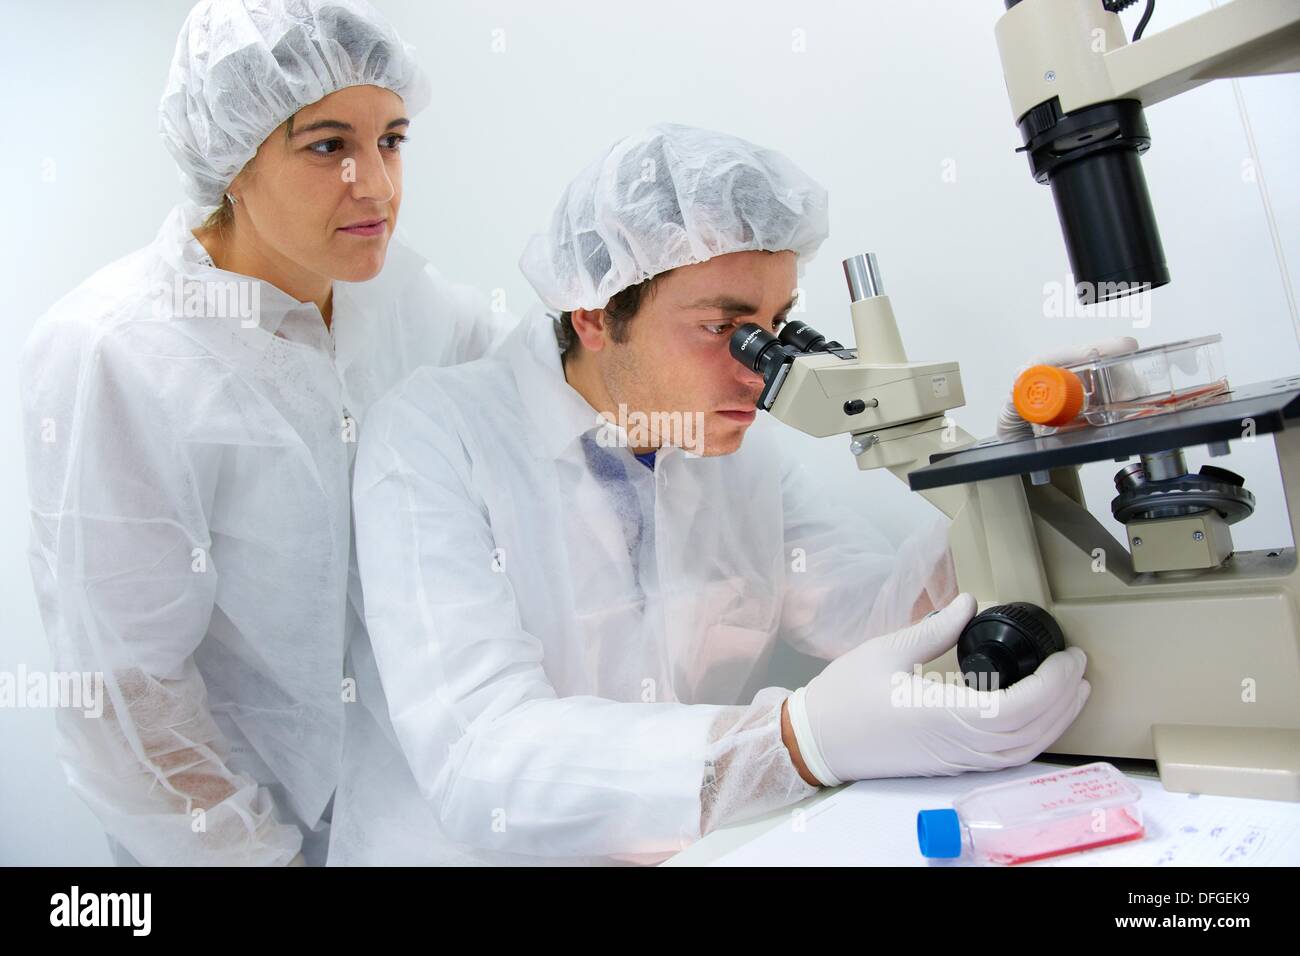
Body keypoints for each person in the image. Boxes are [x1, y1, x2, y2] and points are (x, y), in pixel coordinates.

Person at [329, 124, 1091, 865]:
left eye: (774, 326)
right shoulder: (433, 439)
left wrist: (996, 484)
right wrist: (791, 741)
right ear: (595, 313)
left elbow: (881, 623)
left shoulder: (738, 457)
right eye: (721, 327)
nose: (760, 371)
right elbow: (482, 758)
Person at [19, 0, 512, 866]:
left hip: (396, 820)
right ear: (230, 161)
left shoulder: (401, 302)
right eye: (329, 146)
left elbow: (539, 389)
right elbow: (124, 700)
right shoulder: (119, 354)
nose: (379, 185)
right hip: (216, 840)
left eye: (392, 139)